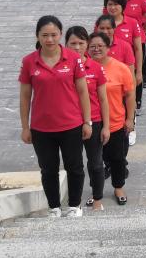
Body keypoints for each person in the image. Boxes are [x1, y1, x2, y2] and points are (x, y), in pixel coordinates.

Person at [18, 15, 91, 218]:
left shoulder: (73, 58)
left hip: (71, 124)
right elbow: (25, 97)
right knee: (48, 169)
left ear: (60, 34)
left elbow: (83, 91)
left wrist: (87, 121)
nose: (49, 39)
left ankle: (74, 206)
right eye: (45, 35)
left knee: (74, 167)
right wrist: (25, 127)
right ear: (38, 36)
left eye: (53, 34)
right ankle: (54, 207)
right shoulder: (29, 62)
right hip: (41, 128)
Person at [88, 30, 136, 205]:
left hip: (116, 122)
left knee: (117, 158)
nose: (96, 49)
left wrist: (130, 119)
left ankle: (118, 186)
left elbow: (130, 95)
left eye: (100, 46)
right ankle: (96, 192)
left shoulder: (120, 68)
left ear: (108, 48)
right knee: (94, 161)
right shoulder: (83, 68)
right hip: (92, 122)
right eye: (92, 46)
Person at [65, 26, 110, 211]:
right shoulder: (63, 67)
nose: (77, 47)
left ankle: (97, 199)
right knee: (73, 164)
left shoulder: (96, 68)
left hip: (95, 121)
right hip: (70, 122)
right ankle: (73, 202)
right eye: (72, 43)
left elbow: (103, 99)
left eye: (81, 43)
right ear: (65, 44)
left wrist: (106, 126)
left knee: (96, 163)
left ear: (87, 45)